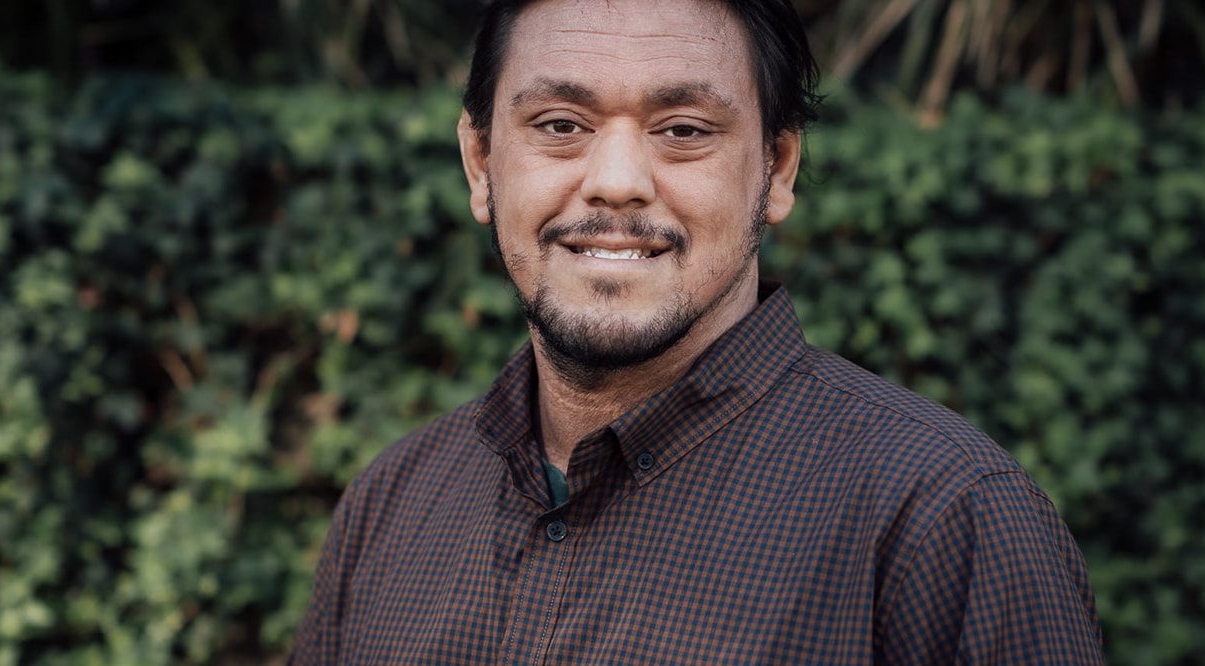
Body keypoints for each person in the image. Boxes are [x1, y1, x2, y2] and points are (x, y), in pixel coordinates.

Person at [290, 0, 1104, 662]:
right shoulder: (393, 503)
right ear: (479, 162)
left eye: (683, 129)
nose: (616, 183)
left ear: (777, 169)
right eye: (561, 124)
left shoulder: (942, 517)